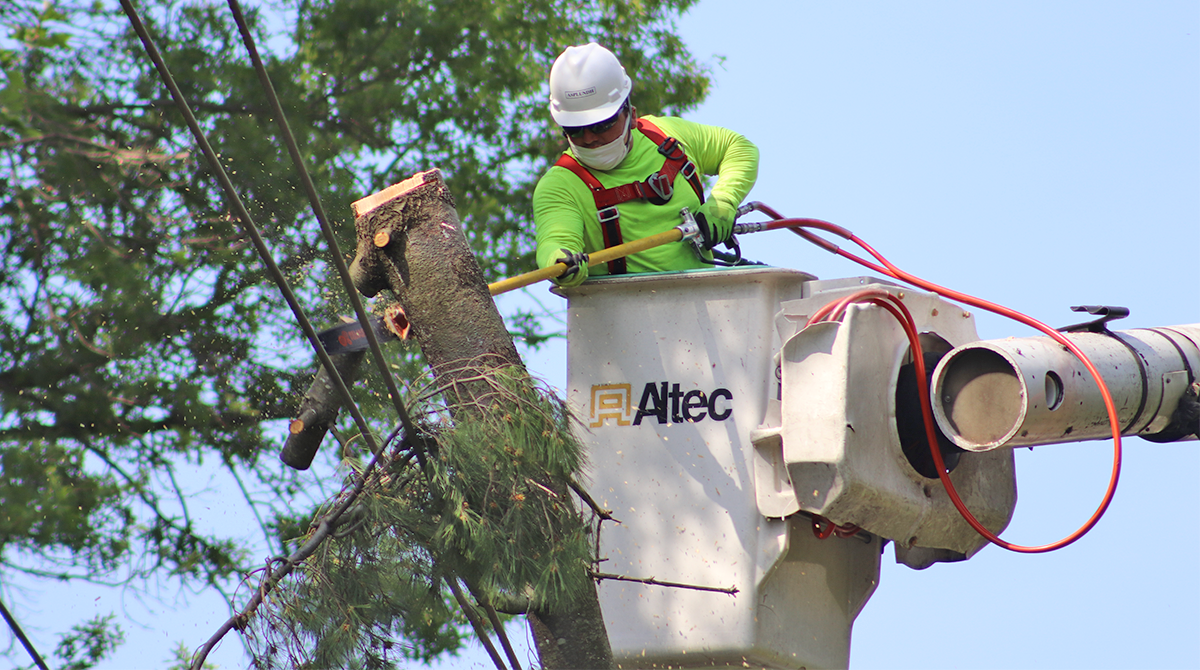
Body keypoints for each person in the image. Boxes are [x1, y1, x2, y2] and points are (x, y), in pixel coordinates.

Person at [533, 43, 759, 287]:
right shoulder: (560, 185)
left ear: (630, 112)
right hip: (624, 317)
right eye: (574, 130)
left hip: (707, 302)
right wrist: (560, 263)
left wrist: (723, 203)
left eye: (601, 125)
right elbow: (554, 241)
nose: (589, 138)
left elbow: (738, 148)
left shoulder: (666, 135)